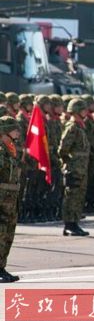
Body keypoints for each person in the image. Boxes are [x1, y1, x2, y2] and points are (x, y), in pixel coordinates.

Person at [59, 98, 91, 236]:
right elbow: (63, 149)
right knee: (71, 196)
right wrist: (70, 164)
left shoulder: (80, 126)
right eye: (83, 109)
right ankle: (69, 224)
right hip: (74, 168)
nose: (86, 112)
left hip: (81, 168)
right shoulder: (72, 127)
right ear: (77, 111)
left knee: (79, 196)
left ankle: (75, 223)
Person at [0, 116, 22, 283]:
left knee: (8, 233)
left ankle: (2, 267)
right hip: (1, 199)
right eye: (14, 129)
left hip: (11, 199)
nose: (17, 132)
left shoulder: (12, 149)